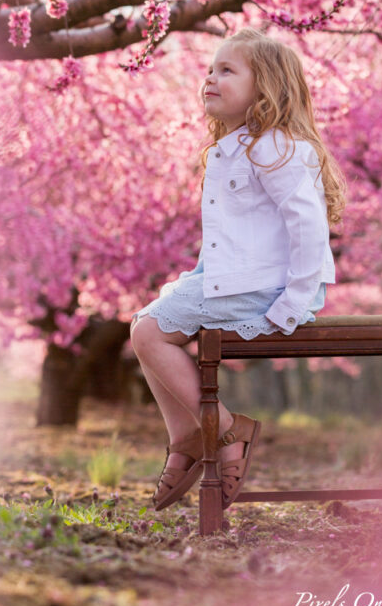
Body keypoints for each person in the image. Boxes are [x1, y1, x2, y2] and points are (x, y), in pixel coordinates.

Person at [130, 28, 345, 512]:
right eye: (210, 68)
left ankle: (225, 433)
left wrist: (294, 301)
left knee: (148, 333)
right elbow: (232, 242)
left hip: (270, 290)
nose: (210, 77)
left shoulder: (273, 147)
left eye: (227, 70)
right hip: (247, 282)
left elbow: (309, 230)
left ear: (265, 87)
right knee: (143, 326)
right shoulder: (239, 146)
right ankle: (187, 432)